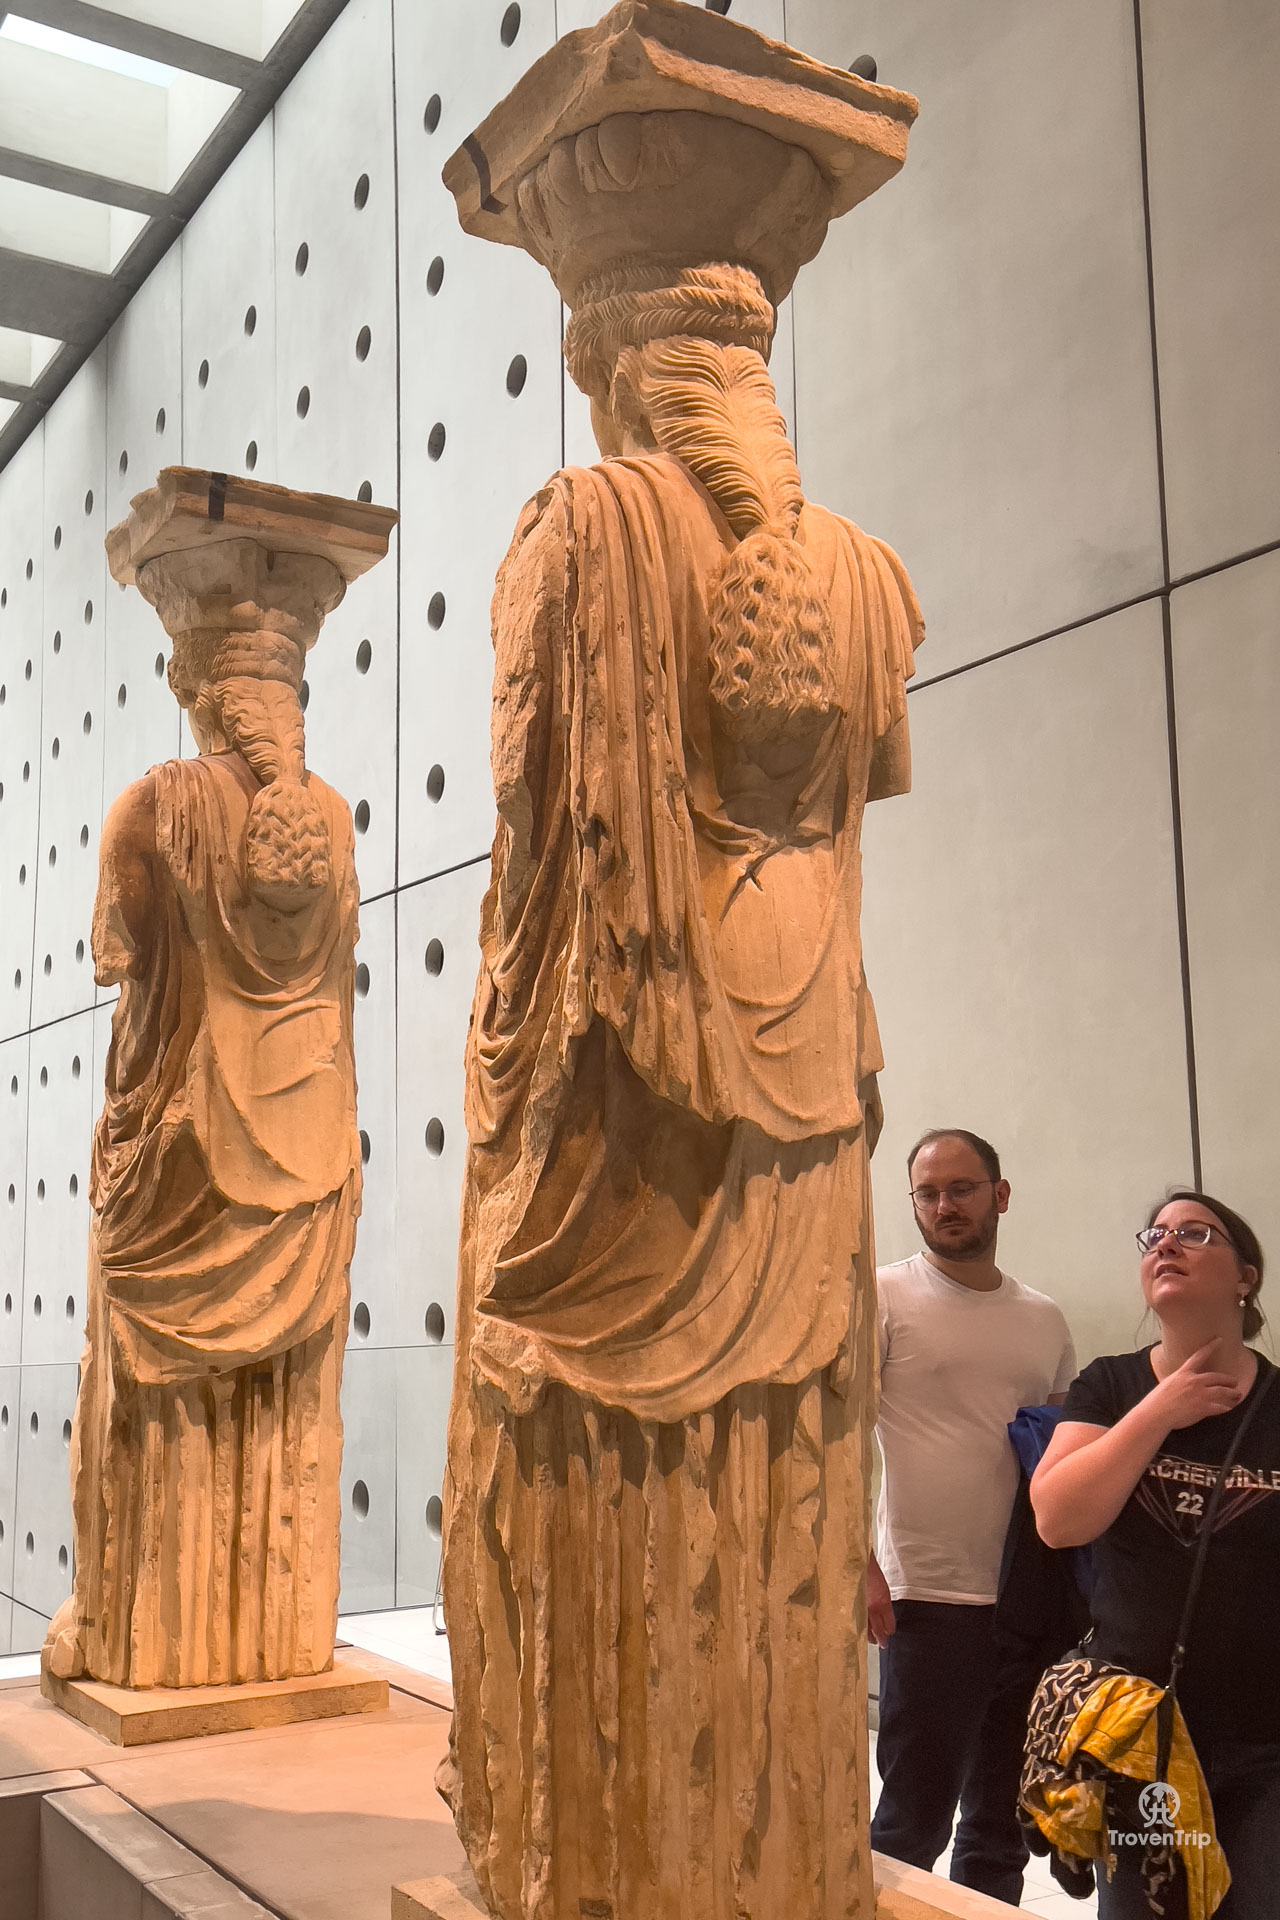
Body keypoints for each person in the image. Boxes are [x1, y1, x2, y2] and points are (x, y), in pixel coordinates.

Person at [44, 601, 361, 1689]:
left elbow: (117, 954)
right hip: (310, 1146)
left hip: (183, 1148)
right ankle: (274, 1637)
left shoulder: (153, 804)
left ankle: (156, 1639)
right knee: (282, 1412)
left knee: (155, 1410)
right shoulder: (333, 816)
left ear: (194, 688)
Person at [1031, 1192, 1280, 1918]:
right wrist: (1161, 1409)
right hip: (1144, 1746)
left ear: (1246, 1276)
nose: (1165, 1245)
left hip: (1265, 1743)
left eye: (1195, 1234)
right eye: (1155, 1236)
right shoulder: (1110, 1386)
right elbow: (1059, 1519)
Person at [868, 1127, 1077, 1902]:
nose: (945, 1205)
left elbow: (1061, 1459)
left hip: (1028, 1602)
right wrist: (858, 1565)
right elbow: (834, 1438)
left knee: (999, 1829)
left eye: (961, 1188)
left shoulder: (1044, 1318)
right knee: (910, 1825)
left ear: (1001, 1195)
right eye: (928, 1192)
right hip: (927, 1597)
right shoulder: (884, 1296)